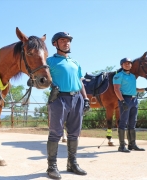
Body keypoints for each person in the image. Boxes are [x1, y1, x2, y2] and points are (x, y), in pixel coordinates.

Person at [46, 32, 90, 179]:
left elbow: (80, 81)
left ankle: (72, 163)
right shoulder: (49, 61)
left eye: (68, 41)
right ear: (55, 44)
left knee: (74, 133)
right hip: (59, 99)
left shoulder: (75, 62)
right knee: (55, 133)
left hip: (77, 98)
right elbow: (42, 78)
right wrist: (52, 86)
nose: (66, 43)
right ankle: (51, 166)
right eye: (63, 40)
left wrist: (86, 98)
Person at [113, 58, 147, 153]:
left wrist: (145, 89)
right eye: (125, 63)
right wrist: (122, 101)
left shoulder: (132, 76)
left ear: (131, 65)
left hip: (134, 100)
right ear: (121, 65)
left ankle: (132, 144)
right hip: (125, 99)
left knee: (133, 123)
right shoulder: (118, 76)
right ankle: (122, 146)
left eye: (129, 63)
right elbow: (116, 89)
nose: (127, 65)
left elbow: (134, 89)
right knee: (123, 123)